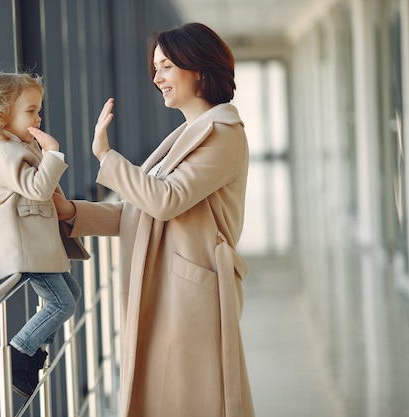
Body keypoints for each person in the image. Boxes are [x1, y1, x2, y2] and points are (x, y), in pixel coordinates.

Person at [49, 23, 255, 417]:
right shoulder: (187, 133)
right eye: (155, 68)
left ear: (197, 67)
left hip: (192, 294)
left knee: (193, 401)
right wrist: (74, 213)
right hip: (170, 288)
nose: (156, 78)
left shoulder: (225, 133)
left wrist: (105, 156)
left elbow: (166, 200)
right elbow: (140, 209)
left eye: (165, 66)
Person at [0, 72, 87, 398]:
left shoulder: (17, 146)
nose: (38, 117)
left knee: (72, 294)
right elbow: (38, 189)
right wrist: (52, 152)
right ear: (3, 113)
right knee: (61, 303)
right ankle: (16, 353)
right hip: (27, 245)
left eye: (38, 110)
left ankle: (30, 355)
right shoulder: (3, 152)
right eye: (31, 110)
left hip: (38, 242)